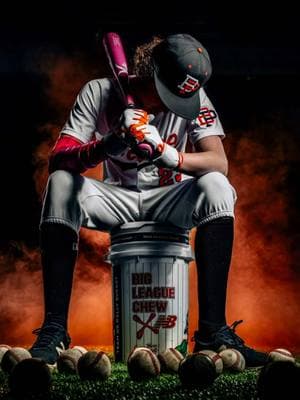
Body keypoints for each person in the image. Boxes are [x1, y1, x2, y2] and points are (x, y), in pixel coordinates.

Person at [29, 33, 268, 367]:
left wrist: (171, 156)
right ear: (149, 72)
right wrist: (106, 145)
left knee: (217, 186)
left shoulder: (194, 94)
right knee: (59, 184)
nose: (173, 105)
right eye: (166, 93)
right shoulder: (99, 91)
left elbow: (219, 161)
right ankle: (55, 329)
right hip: (117, 199)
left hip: (170, 198)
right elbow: (59, 159)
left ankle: (212, 332)